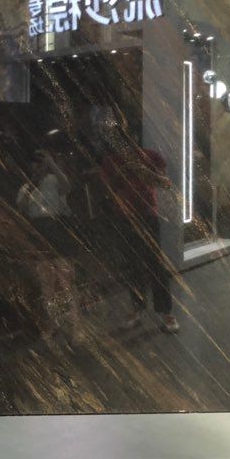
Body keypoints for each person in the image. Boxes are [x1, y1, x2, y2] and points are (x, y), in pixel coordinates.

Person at [96, 112, 180, 334]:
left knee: (156, 265)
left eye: (127, 136)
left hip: (147, 215)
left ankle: (166, 313)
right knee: (132, 265)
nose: (125, 142)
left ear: (134, 136)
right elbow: (107, 191)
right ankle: (137, 309)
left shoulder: (150, 156)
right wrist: (121, 174)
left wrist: (144, 172)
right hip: (125, 218)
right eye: (119, 138)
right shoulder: (110, 161)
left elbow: (165, 183)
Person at [16, 146, 83, 343]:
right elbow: (22, 207)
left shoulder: (54, 180)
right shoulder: (27, 186)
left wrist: (51, 164)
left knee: (66, 280)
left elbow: (67, 186)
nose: (37, 166)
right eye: (35, 163)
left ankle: (76, 326)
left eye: (40, 163)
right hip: (38, 230)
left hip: (57, 228)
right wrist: (32, 183)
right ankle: (53, 323)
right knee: (46, 283)